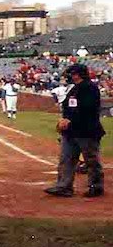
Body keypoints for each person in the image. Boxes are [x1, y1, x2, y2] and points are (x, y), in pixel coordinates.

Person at [45, 64, 105, 198]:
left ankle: (96, 186)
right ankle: (64, 186)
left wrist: (70, 120)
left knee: (91, 160)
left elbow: (87, 109)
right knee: (66, 159)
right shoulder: (74, 89)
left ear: (78, 74)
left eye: (72, 73)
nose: (69, 76)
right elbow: (68, 107)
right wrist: (64, 120)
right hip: (71, 132)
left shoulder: (90, 88)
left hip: (87, 131)